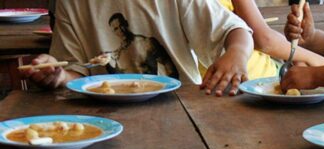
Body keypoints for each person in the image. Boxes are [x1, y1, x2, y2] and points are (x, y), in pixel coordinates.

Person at [20, 0, 254, 97]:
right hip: (102, 114)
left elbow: (234, 30)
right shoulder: (72, 4)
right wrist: (58, 76)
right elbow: (75, 71)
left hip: (180, 106)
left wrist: (237, 53)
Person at [215, 0, 324, 80]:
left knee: (299, 63)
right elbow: (263, 40)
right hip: (255, 78)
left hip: (210, 78)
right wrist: (315, 59)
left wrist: (296, 56)